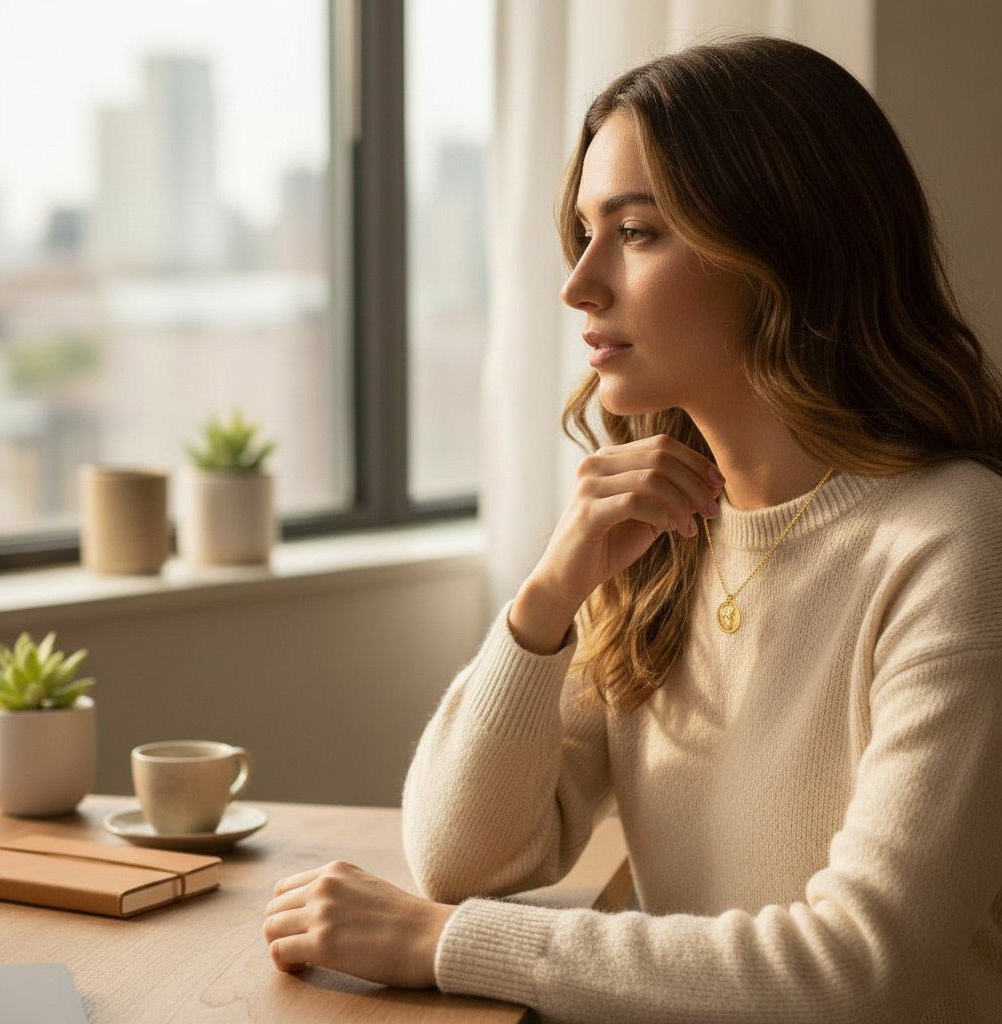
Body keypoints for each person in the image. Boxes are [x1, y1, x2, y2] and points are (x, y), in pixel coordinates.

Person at [261, 34, 1002, 1022]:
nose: (579, 285)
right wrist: (547, 596)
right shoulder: (657, 536)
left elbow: (858, 972)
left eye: (638, 232)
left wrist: (439, 945)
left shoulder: (953, 541)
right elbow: (458, 852)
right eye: (583, 231)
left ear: (783, 247)